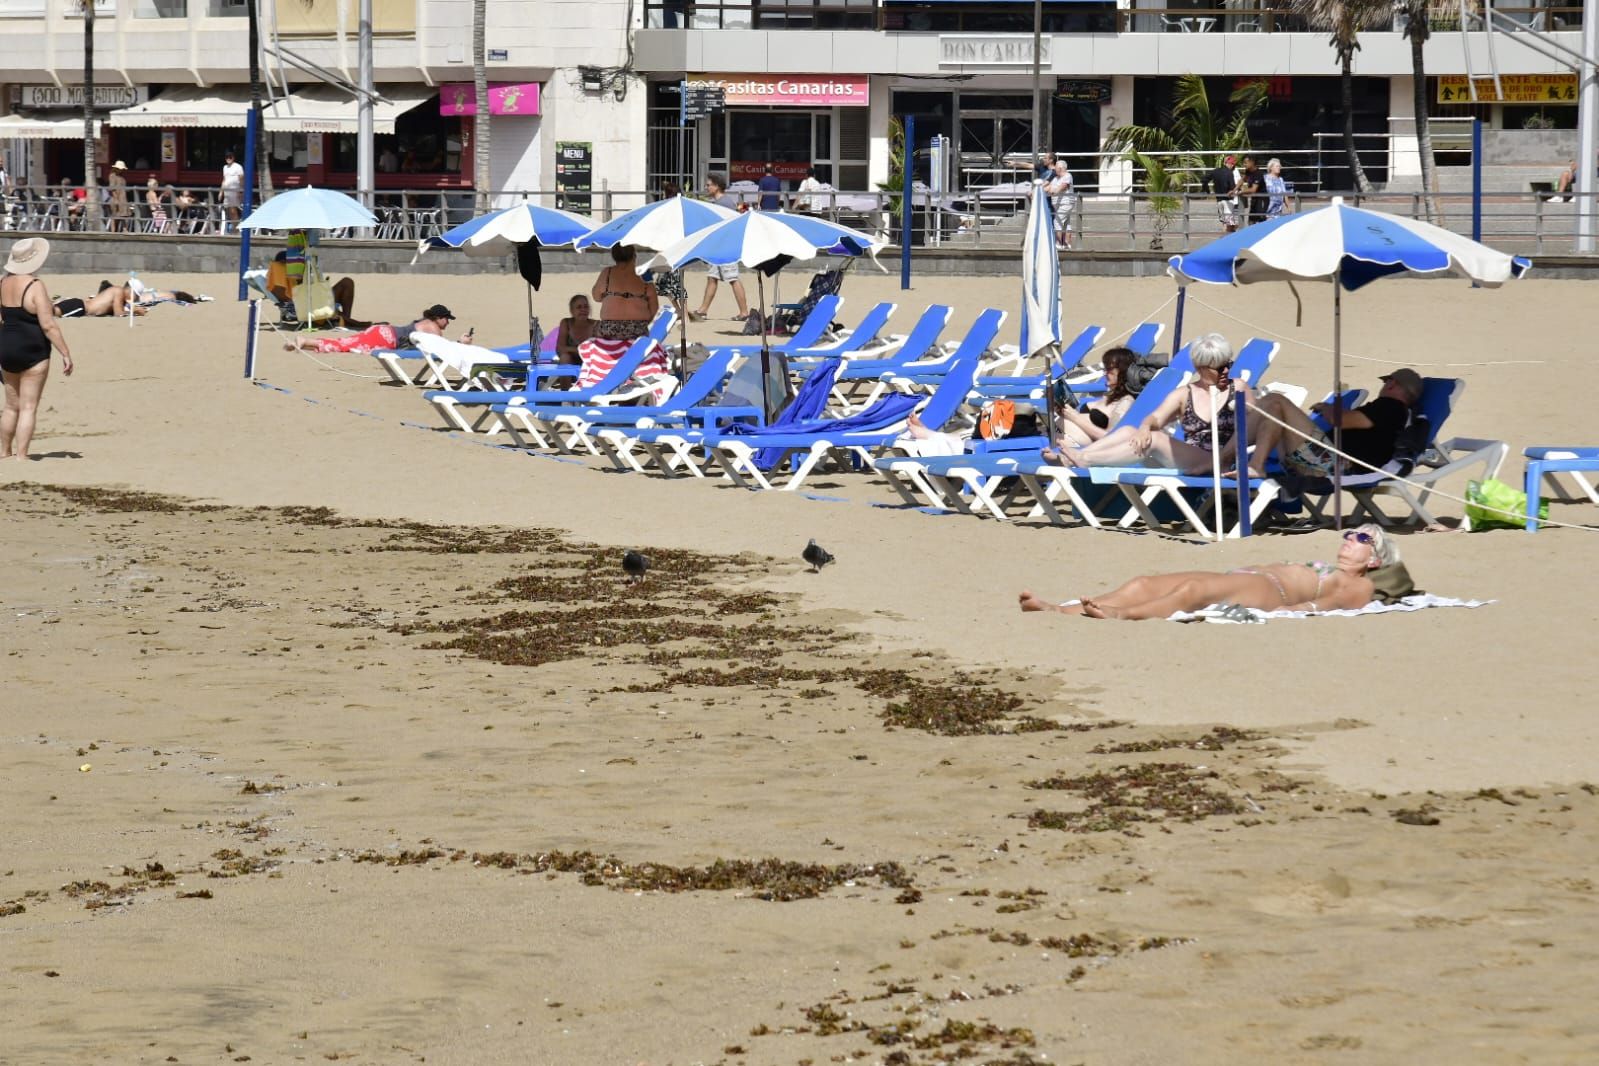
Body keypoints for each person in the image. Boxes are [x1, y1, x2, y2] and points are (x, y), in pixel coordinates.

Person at [1018, 524, 1398, 620]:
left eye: (1361, 538)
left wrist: (1299, 612)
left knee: (1192, 591)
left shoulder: (1359, 584)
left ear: (1374, 559)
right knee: (1144, 582)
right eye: (1349, 534)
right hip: (1246, 576)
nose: (1349, 539)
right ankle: (1059, 609)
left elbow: (1333, 603)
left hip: (1269, 592)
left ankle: (1121, 615)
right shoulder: (1337, 567)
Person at [1044, 333, 1252, 474]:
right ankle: (1077, 458)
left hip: (1220, 460)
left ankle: (1084, 459)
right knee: (1128, 430)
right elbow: (1155, 417)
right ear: (1201, 367)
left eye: (1228, 365)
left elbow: (1254, 425)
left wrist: (1227, 455)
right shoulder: (1185, 393)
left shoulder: (1239, 388)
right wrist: (1144, 427)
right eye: (1220, 367)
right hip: (1190, 456)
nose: (1226, 371)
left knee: (1156, 439)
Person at [1237, 367, 1424, 480]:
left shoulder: (1391, 407)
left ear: (1392, 383)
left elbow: (1340, 420)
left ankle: (1237, 459)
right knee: (1274, 410)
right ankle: (1239, 460)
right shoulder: (1397, 413)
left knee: (1276, 401)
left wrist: (1327, 408)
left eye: (1385, 383)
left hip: (1331, 464)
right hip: (1324, 461)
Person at [1, 238, 74, 461]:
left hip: (6, 347)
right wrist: (65, 353)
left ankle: (3, 452)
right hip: (33, 349)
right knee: (28, 406)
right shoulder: (35, 286)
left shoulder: (3, 282)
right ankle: (22, 456)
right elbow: (48, 325)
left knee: (11, 406)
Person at [284, 303, 465, 353]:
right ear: (439, 318)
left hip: (382, 331)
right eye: (447, 319)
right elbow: (445, 349)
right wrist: (462, 343)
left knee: (346, 342)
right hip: (386, 338)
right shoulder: (433, 327)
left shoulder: (423, 321)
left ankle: (303, 343)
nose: (448, 322)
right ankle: (305, 341)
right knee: (346, 345)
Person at [690, 173, 750, 322]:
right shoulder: (720, 203)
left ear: (717, 186)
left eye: (708, 184)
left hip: (725, 248)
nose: (706, 187)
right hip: (719, 248)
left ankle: (744, 312)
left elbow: (729, 227)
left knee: (733, 279)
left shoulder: (724, 203)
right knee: (712, 278)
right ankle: (703, 310)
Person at [1055, 347, 1137, 447]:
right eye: (1105, 369)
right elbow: (1087, 420)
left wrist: (1074, 417)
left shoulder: (1125, 402)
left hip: (1073, 448)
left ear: (1124, 373)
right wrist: (1065, 413)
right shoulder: (1110, 395)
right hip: (1058, 436)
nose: (1105, 373)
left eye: (1110, 370)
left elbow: (1111, 439)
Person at [54, 281, 146, 319]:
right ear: (131, 291)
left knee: (49, 312)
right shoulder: (119, 291)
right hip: (80, 307)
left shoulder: (117, 294)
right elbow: (119, 314)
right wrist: (135, 311)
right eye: (136, 296)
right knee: (51, 313)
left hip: (79, 305)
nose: (135, 299)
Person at [554, 294, 595, 367]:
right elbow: (560, 348)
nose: (583, 310)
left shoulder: (596, 324)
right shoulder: (566, 323)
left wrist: (571, 349)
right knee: (565, 358)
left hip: (590, 361)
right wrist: (579, 350)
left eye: (586, 306)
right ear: (572, 311)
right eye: (579, 307)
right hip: (571, 362)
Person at [1047, 158, 1076, 250]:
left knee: (1057, 221)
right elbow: (1049, 187)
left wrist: (1054, 191)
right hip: (1058, 204)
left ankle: (1059, 243)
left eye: (1055, 168)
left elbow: (1063, 187)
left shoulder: (1067, 176)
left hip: (1066, 203)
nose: (1054, 169)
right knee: (1066, 223)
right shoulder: (1055, 178)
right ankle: (1067, 244)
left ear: (1060, 168)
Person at [1206, 154, 1239, 233]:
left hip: (1219, 200)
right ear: (1231, 164)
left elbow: (1205, 179)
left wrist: (1206, 190)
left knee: (1225, 223)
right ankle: (1227, 241)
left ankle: (1226, 239)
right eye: (1233, 165)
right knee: (1229, 225)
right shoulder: (1229, 173)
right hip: (1228, 200)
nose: (1233, 168)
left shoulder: (1216, 171)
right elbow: (1232, 187)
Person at [1237, 156, 1266, 226]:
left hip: (1261, 200)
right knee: (1250, 221)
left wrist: (1242, 191)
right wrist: (1234, 189)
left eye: (1245, 163)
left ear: (1252, 163)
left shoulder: (1258, 173)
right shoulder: (1248, 171)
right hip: (1254, 200)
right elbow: (1242, 180)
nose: (1244, 165)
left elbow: (1253, 189)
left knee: (1261, 222)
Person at [220, 150, 245, 229]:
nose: (228, 159)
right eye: (227, 157)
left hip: (235, 191)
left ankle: (237, 228)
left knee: (234, 210)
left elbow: (241, 179)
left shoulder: (238, 167)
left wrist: (241, 191)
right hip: (227, 192)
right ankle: (235, 227)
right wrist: (221, 192)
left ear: (233, 158)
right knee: (229, 210)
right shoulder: (225, 167)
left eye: (230, 157)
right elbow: (224, 180)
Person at [107, 161, 130, 233]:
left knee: (124, 215)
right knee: (115, 216)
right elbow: (112, 189)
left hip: (123, 197)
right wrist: (116, 199)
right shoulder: (112, 176)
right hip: (117, 198)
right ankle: (113, 231)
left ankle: (125, 229)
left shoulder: (122, 177)